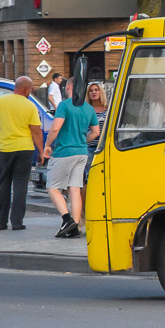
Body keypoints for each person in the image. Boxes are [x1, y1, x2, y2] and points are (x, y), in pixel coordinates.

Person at [0, 76, 44, 231]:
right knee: (20, 186)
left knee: (3, 185)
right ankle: (17, 222)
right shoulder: (30, 106)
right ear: (26, 89)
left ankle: (0, 222)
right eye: (30, 89)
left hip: (4, 149)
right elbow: (36, 131)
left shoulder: (0, 101)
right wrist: (41, 152)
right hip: (24, 149)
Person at [44, 78, 100, 238]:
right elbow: (96, 132)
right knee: (75, 188)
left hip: (64, 151)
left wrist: (47, 145)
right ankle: (75, 227)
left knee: (53, 187)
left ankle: (67, 219)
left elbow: (55, 128)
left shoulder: (64, 105)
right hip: (82, 152)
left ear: (68, 87)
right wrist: (83, 140)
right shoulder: (89, 108)